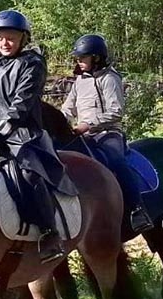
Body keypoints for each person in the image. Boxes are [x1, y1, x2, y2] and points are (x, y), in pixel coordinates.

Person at [0, 9, 71, 263]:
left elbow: (22, 104)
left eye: (11, 37)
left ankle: (50, 234)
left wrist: (0, 132)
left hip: (24, 136)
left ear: (22, 39)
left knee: (29, 173)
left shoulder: (33, 64)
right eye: (1, 38)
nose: (5, 43)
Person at [61, 33, 154, 233]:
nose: (79, 62)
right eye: (77, 58)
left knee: (116, 161)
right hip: (83, 135)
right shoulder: (79, 81)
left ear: (96, 58)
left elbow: (116, 111)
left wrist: (88, 124)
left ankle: (137, 210)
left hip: (108, 134)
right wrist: (61, 122)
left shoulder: (110, 79)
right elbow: (68, 108)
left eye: (82, 58)